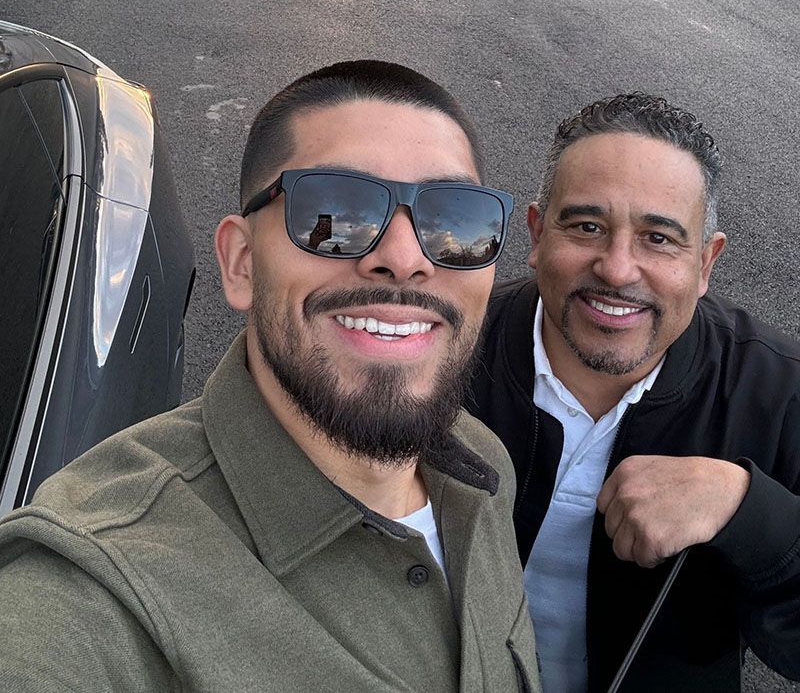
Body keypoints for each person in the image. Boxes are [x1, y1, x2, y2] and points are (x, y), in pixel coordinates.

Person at [0, 60, 539, 693]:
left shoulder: (481, 466)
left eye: (455, 220)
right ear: (242, 263)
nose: (403, 259)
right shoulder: (91, 593)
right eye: (336, 212)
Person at [467, 93, 800, 693]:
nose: (618, 269)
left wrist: (746, 510)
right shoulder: (445, 352)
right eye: (588, 226)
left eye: (659, 238)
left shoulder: (778, 396)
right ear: (538, 235)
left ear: (705, 264)